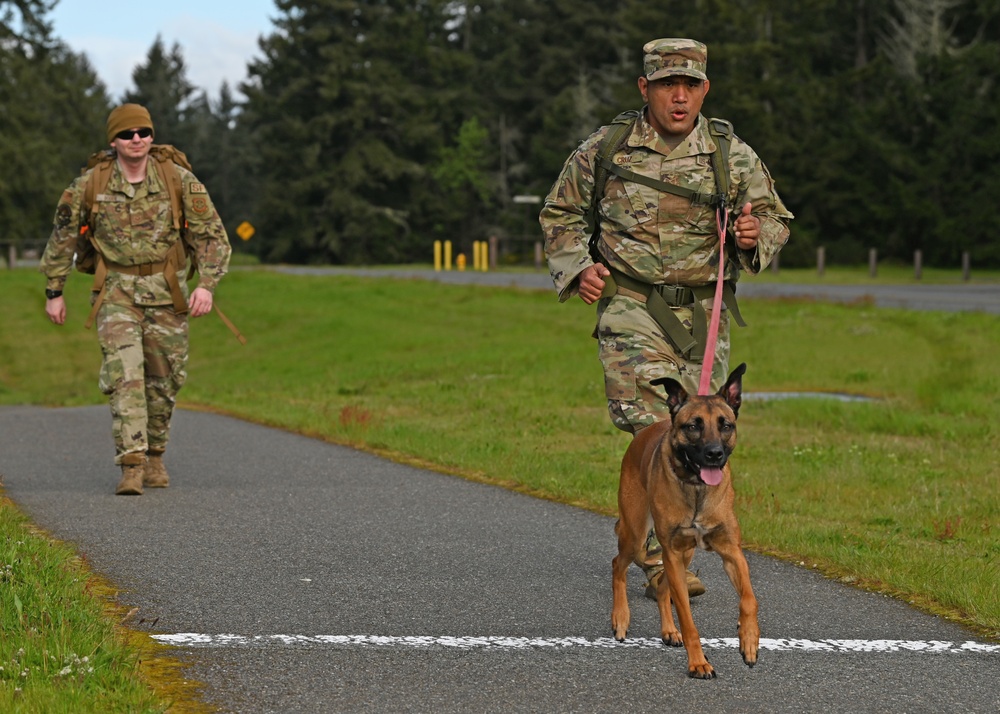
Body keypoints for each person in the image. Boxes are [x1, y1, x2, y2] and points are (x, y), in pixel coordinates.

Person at [540, 39, 792, 598]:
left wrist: (757, 236)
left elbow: (776, 217)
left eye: (690, 85)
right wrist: (578, 267)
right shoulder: (606, 148)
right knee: (653, 421)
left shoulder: (731, 153)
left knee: (701, 427)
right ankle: (658, 559)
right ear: (644, 88)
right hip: (631, 302)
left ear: (705, 88)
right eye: (665, 85)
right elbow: (560, 211)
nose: (679, 97)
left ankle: (680, 531)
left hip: (704, 310)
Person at [40, 103, 232, 496]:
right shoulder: (89, 184)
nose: (137, 140)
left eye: (143, 132)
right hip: (116, 295)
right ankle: (132, 463)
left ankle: (156, 455)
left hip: (168, 295)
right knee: (124, 376)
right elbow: (62, 239)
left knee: (164, 382)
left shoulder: (178, 180)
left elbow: (211, 236)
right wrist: (54, 292)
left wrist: (206, 285)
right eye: (127, 134)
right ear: (113, 140)